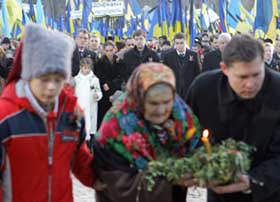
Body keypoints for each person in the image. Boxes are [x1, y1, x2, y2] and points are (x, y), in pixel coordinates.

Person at [0, 23, 94, 201]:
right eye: (44, 79)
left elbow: (80, 159)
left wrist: (111, 178)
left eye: (58, 80)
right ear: (29, 74)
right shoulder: (6, 116)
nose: (51, 87)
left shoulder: (72, 113)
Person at [187, 34, 280, 202]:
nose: (251, 84)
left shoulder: (277, 90)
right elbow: (188, 136)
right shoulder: (203, 89)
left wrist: (252, 180)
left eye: (257, 74)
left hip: (268, 190)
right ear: (224, 69)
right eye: (242, 77)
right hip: (216, 188)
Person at [92, 62, 201, 202]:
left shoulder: (181, 115)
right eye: (153, 103)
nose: (161, 110)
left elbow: (195, 145)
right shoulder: (114, 128)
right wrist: (169, 178)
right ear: (139, 97)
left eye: (167, 102)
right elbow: (115, 185)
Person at [163, 32, 200, 101]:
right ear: (174, 43)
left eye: (181, 43)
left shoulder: (193, 55)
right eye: (177, 43)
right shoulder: (168, 56)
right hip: (174, 90)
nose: (179, 45)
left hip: (189, 90)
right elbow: (165, 74)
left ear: (185, 42)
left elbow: (198, 73)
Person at [73, 57, 102, 142]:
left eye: (88, 68)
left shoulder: (94, 80)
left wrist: (97, 95)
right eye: (85, 68)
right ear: (81, 67)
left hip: (90, 106)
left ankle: (89, 145)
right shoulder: (76, 80)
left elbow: (99, 91)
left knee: (90, 127)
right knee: (79, 126)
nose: (86, 70)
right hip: (80, 104)